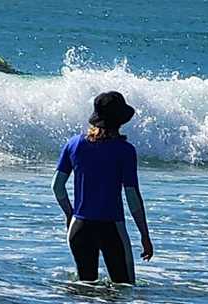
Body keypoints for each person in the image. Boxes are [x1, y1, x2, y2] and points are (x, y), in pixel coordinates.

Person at [52, 91, 154, 284]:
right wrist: (144, 236)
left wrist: (69, 213)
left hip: (79, 228)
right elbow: (132, 197)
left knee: (85, 289)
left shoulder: (73, 144)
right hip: (111, 228)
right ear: (120, 120)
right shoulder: (125, 151)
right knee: (124, 290)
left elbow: (57, 187)